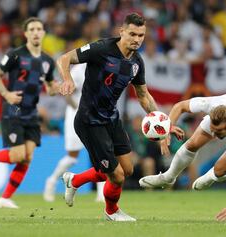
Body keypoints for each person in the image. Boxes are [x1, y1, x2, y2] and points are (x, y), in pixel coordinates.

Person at [56, 13, 183, 221]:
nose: (137, 39)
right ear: (121, 32)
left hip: (111, 119)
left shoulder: (137, 62)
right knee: (116, 176)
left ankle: (74, 180)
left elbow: (143, 96)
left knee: (127, 169)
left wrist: (165, 124)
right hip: (90, 120)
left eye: (141, 35)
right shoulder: (101, 49)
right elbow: (64, 58)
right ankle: (112, 212)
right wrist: (67, 79)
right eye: (132, 33)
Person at [140, 83, 226, 222]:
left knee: (220, 170)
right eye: (213, 129)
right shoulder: (215, 104)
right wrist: (167, 131)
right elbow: (180, 106)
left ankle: (214, 175)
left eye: (218, 132)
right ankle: (169, 177)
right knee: (192, 143)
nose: (214, 135)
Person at [0, 17, 58, 208]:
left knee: (28, 157)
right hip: (14, 111)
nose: (36, 32)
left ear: (43, 33)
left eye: (39, 29)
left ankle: (5, 198)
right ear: (26, 33)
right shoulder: (15, 55)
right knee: (18, 155)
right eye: (32, 29)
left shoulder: (47, 61)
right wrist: (6, 94)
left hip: (32, 113)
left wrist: (59, 88)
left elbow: (50, 87)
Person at [43, 63, 105, 203]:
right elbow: (67, 92)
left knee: (101, 153)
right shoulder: (79, 70)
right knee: (72, 156)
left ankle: (101, 194)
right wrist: (78, 109)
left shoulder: (102, 67)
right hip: (75, 114)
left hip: (94, 115)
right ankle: (51, 181)